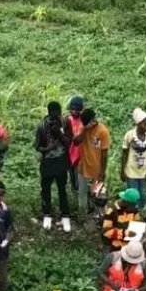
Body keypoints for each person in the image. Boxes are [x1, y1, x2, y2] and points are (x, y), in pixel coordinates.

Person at [35, 101, 71, 232]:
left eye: (58, 113)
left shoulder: (66, 122)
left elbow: (69, 143)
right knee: (45, 189)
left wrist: (59, 134)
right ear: (49, 113)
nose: (56, 116)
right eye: (54, 114)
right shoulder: (42, 126)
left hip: (61, 160)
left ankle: (65, 215)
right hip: (47, 162)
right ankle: (47, 214)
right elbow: (37, 147)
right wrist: (49, 148)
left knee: (62, 189)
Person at [74, 108, 110, 217]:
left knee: (99, 195)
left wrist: (102, 172)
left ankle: (101, 217)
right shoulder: (83, 128)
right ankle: (82, 215)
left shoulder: (103, 131)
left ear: (93, 120)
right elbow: (75, 142)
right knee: (82, 194)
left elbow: (104, 154)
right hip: (83, 167)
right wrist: (84, 130)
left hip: (96, 169)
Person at [120, 108, 146, 209]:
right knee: (132, 194)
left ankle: (140, 213)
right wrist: (122, 171)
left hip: (144, 170)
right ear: (138, 124)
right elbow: (124, 154)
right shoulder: (129, 135)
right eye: (145, 124)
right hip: (131, 170)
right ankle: (131, 213)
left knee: (142, 194)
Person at [63, 96, 85, 193]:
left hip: (80, 151)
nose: (74, 111)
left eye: (76, 110)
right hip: (69, 150)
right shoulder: (67, 120)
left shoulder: (83, 121)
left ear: (80, 110)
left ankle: (80, 188)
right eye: (72, 109)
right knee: (71, 171)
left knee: (79, 173)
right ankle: (73, 187)